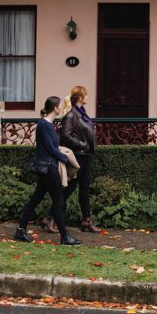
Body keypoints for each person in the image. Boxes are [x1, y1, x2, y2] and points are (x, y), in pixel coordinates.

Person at [14, 96, 81, 245]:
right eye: (59, 105)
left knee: (36, 199)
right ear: (55, 108)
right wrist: (64, 157)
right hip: (48, 168)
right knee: (58, 202)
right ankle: (64, 236)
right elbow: (50, 148)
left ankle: (21, 230)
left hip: (48, 167)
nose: (61, 108)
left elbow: (52, 147)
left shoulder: (48, 124)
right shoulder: (44, 125)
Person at [59, 85, 100, 233]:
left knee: (85, 188)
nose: (88, 97)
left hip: (85, 155)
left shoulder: (81, 113)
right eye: (86, 95)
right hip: (77, 155)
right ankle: (50, 217)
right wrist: (82, 144)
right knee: (70, 187)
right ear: (81, 98)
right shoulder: (71, 115)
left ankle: (86, 220)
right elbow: (65, 135)